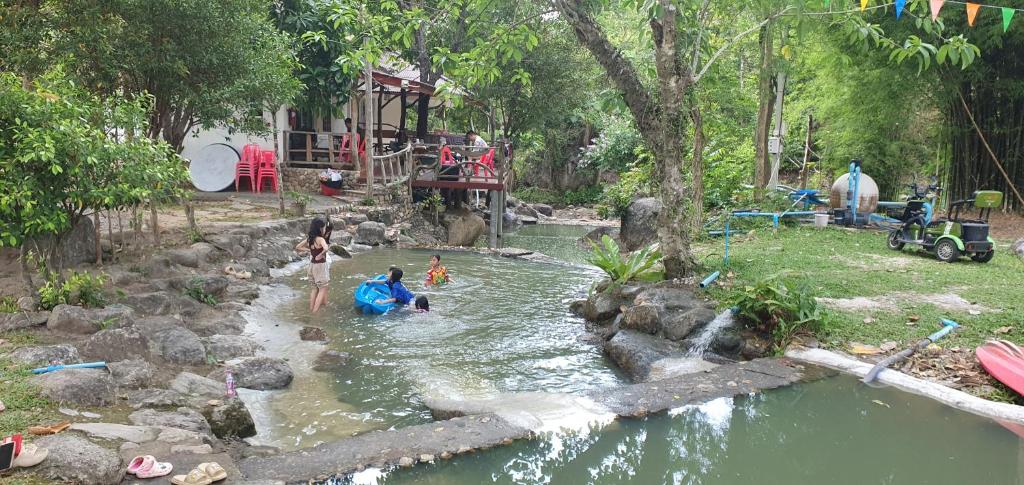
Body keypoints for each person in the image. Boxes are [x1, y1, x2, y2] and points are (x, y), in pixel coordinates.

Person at [295, 218, 330, 313]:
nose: (324, 229)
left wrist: (310, 250)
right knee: (322, 289)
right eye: (323, 228)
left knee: (314, 289)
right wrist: (321, 254)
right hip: (320, 266)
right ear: (320, 228)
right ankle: (315, 312)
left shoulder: (310, 239)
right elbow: (326, 248)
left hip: (311, 266)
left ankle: (311, 309)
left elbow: (298, 247)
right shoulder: (320, 239)